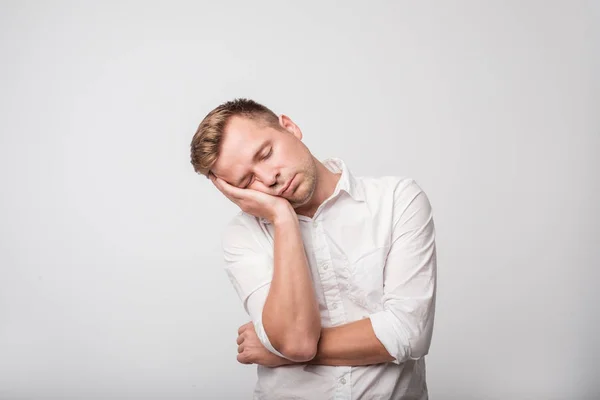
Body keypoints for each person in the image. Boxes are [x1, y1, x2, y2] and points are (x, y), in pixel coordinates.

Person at [190, 98, 437, 400]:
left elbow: (408, 333)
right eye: (247, 180)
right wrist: (282, 219)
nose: (269, 179)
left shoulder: (397, 200)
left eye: (266, 154)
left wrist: (278, 353)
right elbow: (297, 342)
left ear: (290, 127)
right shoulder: (242, 236)